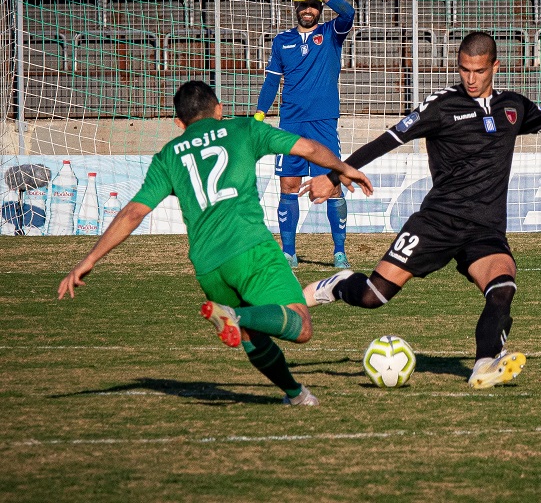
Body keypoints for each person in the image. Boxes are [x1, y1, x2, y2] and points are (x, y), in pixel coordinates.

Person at [303, 32, 541, 389]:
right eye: (464, 70)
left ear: (494, 67)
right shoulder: (441, 105)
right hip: (437, 222)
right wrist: (336, 174)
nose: (471, 78)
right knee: (372, 296)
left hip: (484, 228)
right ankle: (337, 284)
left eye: (478, 71)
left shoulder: (513, 107)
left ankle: (484, 365)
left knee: (503, 287)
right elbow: (389, 139)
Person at [58, 81, 373, 406]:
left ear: (179, 123)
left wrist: (90, 259)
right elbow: (308, 148)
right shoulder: (243, 129)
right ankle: (238, 314)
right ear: (219, 109)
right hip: (250, 248)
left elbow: (133, 212)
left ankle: (295, 395)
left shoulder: (167, 156)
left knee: (250, 335)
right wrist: (344, 169)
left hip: (208, 266)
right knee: (300, 324)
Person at [255, 0, 355, 269]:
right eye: (303, 5)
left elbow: (349, 12)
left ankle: (339, 252)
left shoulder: (332, 32)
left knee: (333, 186)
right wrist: (260, 115)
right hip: (290, 125)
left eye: (312, 5)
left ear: (319, 9)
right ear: (295, 8)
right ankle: (288, 252)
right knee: (288, 184)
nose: (308, 9)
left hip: (323, 123)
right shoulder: (282, 41)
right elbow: (272, 81)